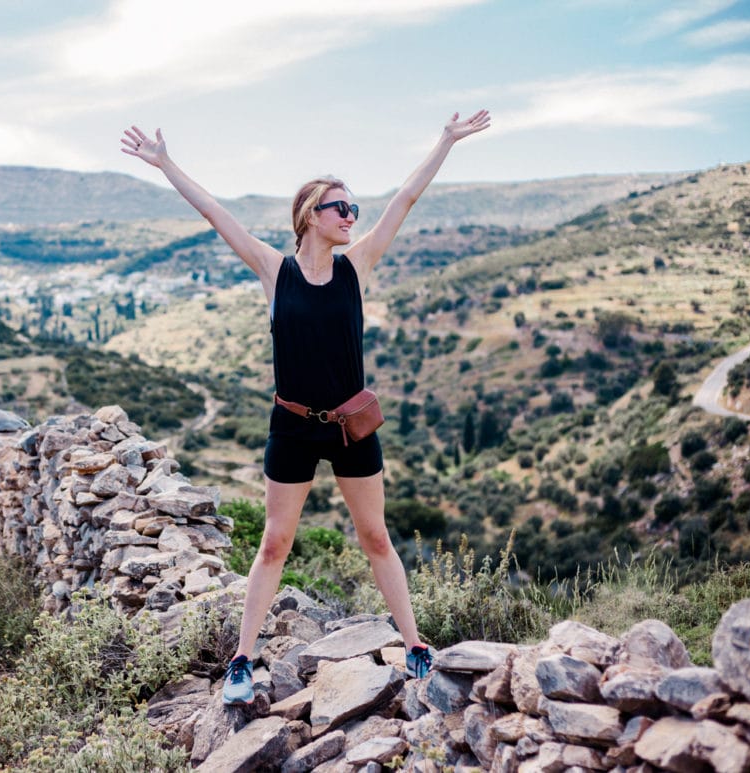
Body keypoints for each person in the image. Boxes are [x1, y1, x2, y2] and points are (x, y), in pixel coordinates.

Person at [120, 110, 491, 705]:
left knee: (376, 537)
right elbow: (214, 212)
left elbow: (407, 198)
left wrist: (446, 140)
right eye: (340, 208)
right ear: (310, 215)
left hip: (351, 428)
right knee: (274, 543)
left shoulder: (356, 266)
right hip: (291, 427)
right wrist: (164, 163)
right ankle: (241, 661)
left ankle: (415, 645)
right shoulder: (275, 271)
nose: (351, 217)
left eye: (353, 209)